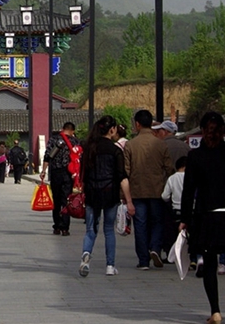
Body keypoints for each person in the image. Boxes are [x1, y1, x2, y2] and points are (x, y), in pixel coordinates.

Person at [180, 111, 225, 324]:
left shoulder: (195, 156)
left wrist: (185, 219)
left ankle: (215, 312)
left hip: (208, 217)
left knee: (209, 263)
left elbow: (188, 191)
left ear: (202, 131)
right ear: (223, 130)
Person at [77, 116, 134, 277]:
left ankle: (86, 254)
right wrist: (129, 201)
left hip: (92, 193)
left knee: (90, 229)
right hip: (110, 193)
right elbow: (122, 177)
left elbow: (83, 174)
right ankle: (110, 265)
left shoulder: (89, 148)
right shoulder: (115, 150)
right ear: (112, 130)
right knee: (109, 229)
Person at [124, 109, 173, 270]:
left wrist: (124, 195)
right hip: (157, 190)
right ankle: (155, 248)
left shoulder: (130, 145)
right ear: (151, 124)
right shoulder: (161, 144)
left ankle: (143, 260)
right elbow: (169, 168)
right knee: (158, 221)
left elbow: (126, 171)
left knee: (140, 224)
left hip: (137, 191)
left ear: (137, 124)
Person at [40, 123, 77, 236]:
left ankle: (56, 226)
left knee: (56, 200)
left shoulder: (53, 139)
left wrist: (43, 171)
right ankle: (65, 227)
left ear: (63, 129)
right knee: (66, 200)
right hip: (68, 174)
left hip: (55, 172)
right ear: (72, 131)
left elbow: (47, 156)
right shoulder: (75, 141)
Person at [161, 155, 187, 259]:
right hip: (191, 210)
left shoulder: (172, 178)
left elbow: (165, 196)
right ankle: (192, 257)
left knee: (173, 234)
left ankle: (174, 255)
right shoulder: (191, 177)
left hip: (176, 210)